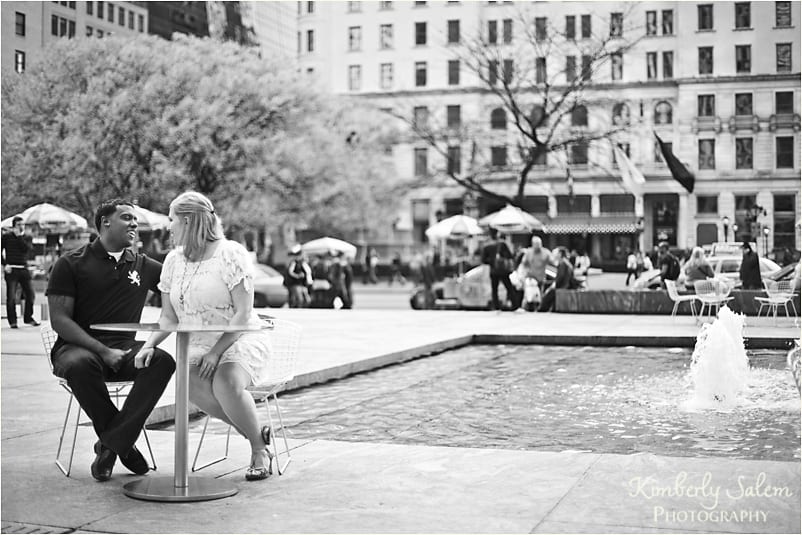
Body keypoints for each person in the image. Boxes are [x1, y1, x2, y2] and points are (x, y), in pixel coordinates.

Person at [135, 191, 274, 481]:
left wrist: (216, 352)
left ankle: (259, 450)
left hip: (239, 337)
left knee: (225, 381)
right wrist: (148, 345)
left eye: (172, 220)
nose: (168, 227)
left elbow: (243, 314)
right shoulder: (173, 261)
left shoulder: (231, 254)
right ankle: (254, 433)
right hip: (198, 344)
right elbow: (169, 317)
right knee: (189, 382)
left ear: (188, 221)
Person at [47, 199, 175, 482]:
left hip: (126, 349)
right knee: (81, 364)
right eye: (126, 217)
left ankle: (111, 444)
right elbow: (60, 320)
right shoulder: (70, 263)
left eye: (135, 219)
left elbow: (183, 289)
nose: (134, 224)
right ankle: (124, 446)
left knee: (162, 361)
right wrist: (103, 351)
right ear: (105, 222)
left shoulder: (146, 266)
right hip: (76, 347)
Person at [2, 216, 40, 328]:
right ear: (13, 226)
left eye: (23, 225)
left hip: (23, 268)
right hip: (11, 269)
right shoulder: (6, 237)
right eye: (19, 225)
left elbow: (26, 249)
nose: (21, 227)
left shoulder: (27, 237)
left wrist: (19, 237)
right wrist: (5, 264)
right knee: (11, 297)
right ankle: (12, 321)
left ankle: (28, 317)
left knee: (30, 294)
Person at [481, 229, 515, 311]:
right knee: (509, 288)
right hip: (503, 270)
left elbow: (484, 260)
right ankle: (515, 305)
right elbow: (510, 256)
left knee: (494, 289)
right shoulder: (502, 244)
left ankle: (496, 307)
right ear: (498, 234)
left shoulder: (486, 245)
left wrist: (492, 262)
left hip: (493, 270)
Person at [516, 235, 552, 312]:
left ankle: (538, 309)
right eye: (536, 244)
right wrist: (522, 274)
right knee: (529, 295)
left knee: (539, 295)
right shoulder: (529, 252)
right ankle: (528, 308)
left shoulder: (546, 253)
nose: (538, 246)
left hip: (540, 278)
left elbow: (553, 263)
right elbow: (524, 263)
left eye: (539, 244)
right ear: (532, 244)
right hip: (530, 278)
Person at [538, 247, 576, 312]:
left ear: (560, 254)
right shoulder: (564, 262)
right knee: (548, 288)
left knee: (549, 293)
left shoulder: (563, 263)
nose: (553, 254)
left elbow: (560, 279)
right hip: (564, 285)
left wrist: (552, 286)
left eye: (555, 252)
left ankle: (541, 310)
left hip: (564, 287)